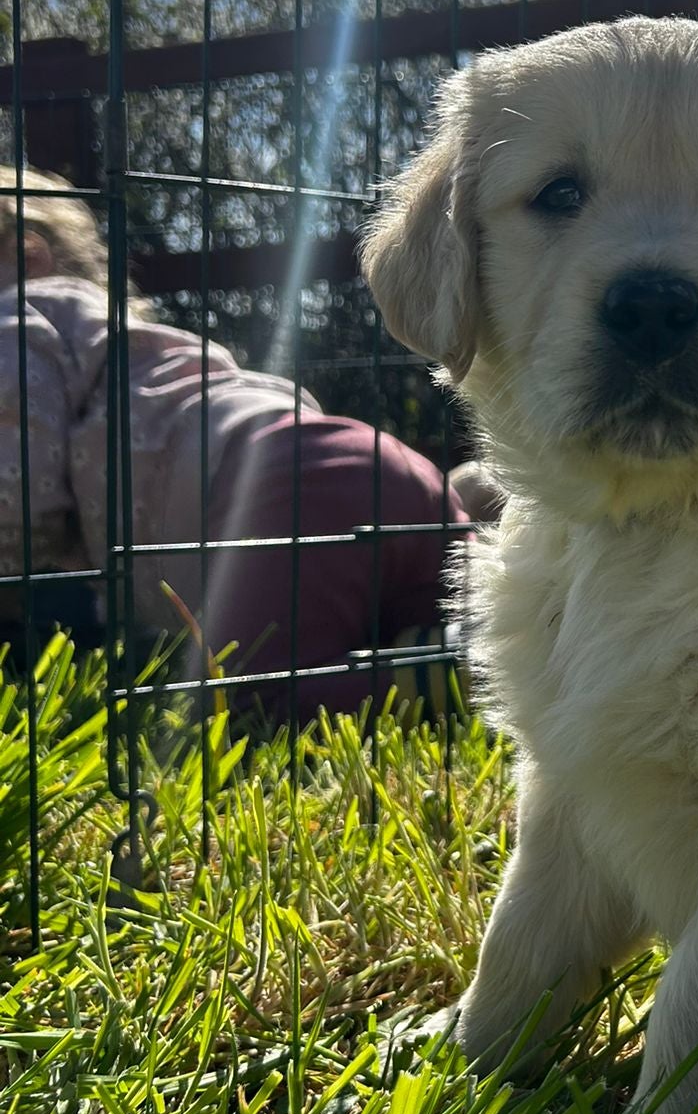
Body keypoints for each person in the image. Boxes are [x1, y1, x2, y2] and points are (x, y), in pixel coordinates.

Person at [0, 165, 466, 725]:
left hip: (280, 491)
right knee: (405, 617)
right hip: (362, 465)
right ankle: (461, 628)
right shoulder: (119, 340)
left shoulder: (22, 314)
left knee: (247, 704)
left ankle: (462, 666)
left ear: (27, 257)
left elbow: (17, 468)